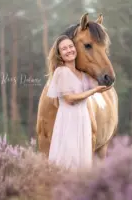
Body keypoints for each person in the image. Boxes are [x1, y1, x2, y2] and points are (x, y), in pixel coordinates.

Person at [46, 35, 111, 171]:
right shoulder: (61, 72)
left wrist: (103, 67)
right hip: (68, 120)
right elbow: (69, 99)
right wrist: (92, 92)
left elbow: (101, 86)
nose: (69, 50)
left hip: (82, 120)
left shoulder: (82, 75)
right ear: (59, 54)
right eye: (64, 49)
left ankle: (77, 187)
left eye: (71, 46)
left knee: (81, 159)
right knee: (68, 158)